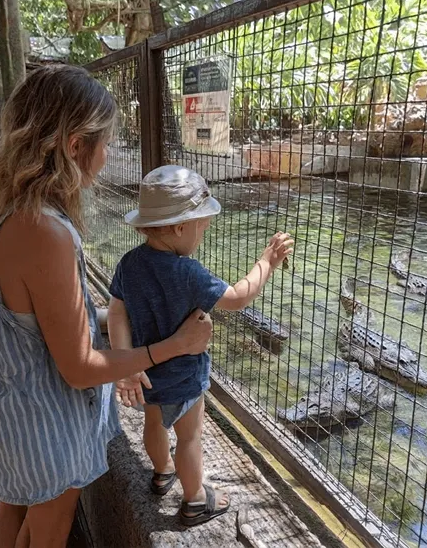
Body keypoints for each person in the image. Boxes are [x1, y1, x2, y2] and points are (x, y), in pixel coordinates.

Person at [0, 64, 213, 548]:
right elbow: (79, 367)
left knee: (15, 505)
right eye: (108, 141)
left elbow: (26, 315)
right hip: (42, 420)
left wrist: (116, 323)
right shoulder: (44, 229)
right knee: (49, 527)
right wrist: (171, 346)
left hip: (5, 404)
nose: (110, 153)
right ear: (75, 145)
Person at [107, 165, 294, 526]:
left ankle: (162, 473)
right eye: (202, 227)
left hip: (146, 372)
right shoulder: (187, 272)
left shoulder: (129, 263)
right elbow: (238, 297)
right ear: (180, 227)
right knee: (190, 438)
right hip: (186, 375)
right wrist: (267, 261)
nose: (202, 235)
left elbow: (116, 313)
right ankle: (194, 500)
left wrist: (128, 365)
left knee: (154, 424)